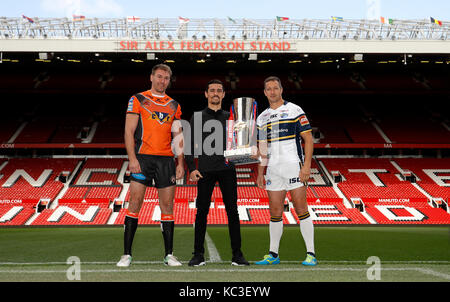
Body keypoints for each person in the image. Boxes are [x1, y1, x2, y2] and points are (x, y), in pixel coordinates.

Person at [117, 64, 185, 267]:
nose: (162, 81)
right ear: (151, 77)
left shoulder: (174, 105)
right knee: (135, 203)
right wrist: (133, 158)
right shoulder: (137, 99)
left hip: (166, 161)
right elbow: (129, 131)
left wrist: (180, 162)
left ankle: (169, 255)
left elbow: (178, 136)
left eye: (166, 78)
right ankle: (126, 255)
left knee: (167, 207)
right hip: (143, 158)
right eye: (159, 76)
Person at [185, 79, 249, 266]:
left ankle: (237, 254)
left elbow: (241, 143)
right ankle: (198, 254)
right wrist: (192, 168)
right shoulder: (197, 117)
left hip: (227, 170)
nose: (215, 93)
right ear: (206, 94)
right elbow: (189, 145)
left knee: (233, 212)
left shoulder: (231, 117)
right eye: (211, 90)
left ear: (223, 94)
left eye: (218, 90)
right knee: (201, 212)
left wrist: (248, 151)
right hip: (205, 171)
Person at [254, 76, 317, 266]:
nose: (272, 92)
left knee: (300, 208)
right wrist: (260, 173)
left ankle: (311, 253)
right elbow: (262, 148)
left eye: (275, 88)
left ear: (281, 90)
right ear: (265, 92)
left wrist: (306, 166)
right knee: (274, 211)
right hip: (273, 169)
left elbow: (309, 139)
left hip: (293, 166)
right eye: (269, 89)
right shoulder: (261, 117)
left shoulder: (294, 110)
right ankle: (273, 254)